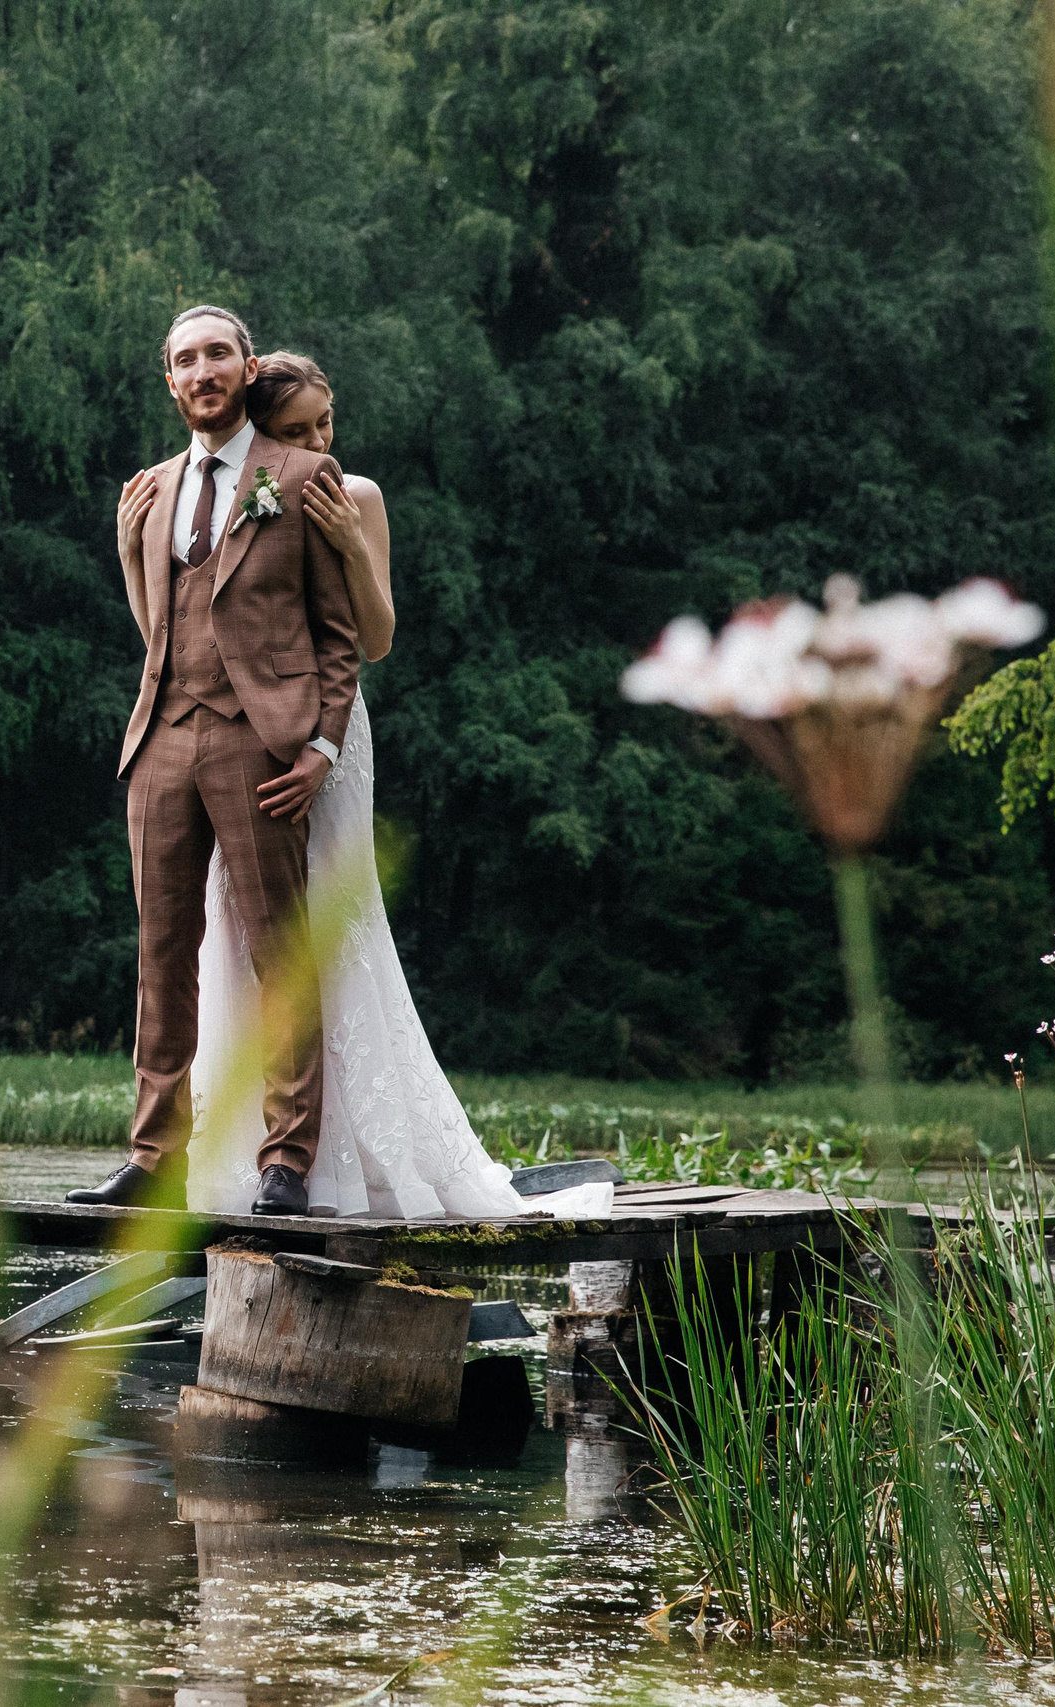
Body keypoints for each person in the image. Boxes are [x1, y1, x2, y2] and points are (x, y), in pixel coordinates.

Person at [183, 350, 613, 1219]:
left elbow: (376, 637)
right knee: (234, 921)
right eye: (296, 431)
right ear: (262, 434)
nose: (319, 444)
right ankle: (254, 1149)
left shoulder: (359, 497)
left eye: (325, 425)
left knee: (332, 924)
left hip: (330, 736)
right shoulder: (231, 499)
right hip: (241, 738)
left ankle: (349, 1154)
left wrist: (348, 542)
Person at [66, 308, 362, 1218]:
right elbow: (160, 623)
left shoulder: (302, 477)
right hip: (160, 741)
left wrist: (320, 744)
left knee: (281, 953)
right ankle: (156, 1158)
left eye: (218, 354)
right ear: (170, 381)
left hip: (261, 743)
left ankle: (287, 1160)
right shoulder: (149, 491)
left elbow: (339, 635)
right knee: (161, 953)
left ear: (246, 366)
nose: (203, 371)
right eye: (186, 359)